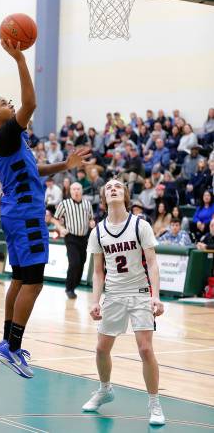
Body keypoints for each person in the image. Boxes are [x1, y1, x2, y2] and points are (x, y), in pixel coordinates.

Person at [0, 39, 89, 379]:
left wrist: (64, 165)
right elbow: (31, 101)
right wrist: (21, 59)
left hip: (17, 211)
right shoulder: (5, 134)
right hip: (24, 213)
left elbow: (34, 171)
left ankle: (9, 342)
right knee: (33, 283)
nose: (12, 104)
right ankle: (12, 345)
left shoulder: (10, 140)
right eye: (6, 103)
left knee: (21, 279)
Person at [83, 178, 165, 426]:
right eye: (108, 187)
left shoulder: (140, 225)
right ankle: (105, 389)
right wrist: (95, 301)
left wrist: (156, 295)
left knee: (145, 349)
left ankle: (154, 402)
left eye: (118, 186)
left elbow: (151, 262)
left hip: (140, 291)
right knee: (100, 349)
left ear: (125, 195)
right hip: (114, 294)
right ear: (104, 197)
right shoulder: (98, 231)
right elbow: (98, 272)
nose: (113, 188)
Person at [53, 183, 95, 299]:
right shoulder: (64, 204)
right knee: (74, 262)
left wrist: (92, 223)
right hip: (71, 237)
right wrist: (61, 228)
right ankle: (69, 288)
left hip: (84, 238)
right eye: (74, 189)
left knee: (82, 262)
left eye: (78, 189)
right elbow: (55, 219)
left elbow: (91, 219)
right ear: (70, 191)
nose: (76, 191)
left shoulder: (87, 203)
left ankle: (74, 285)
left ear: (82, 191)